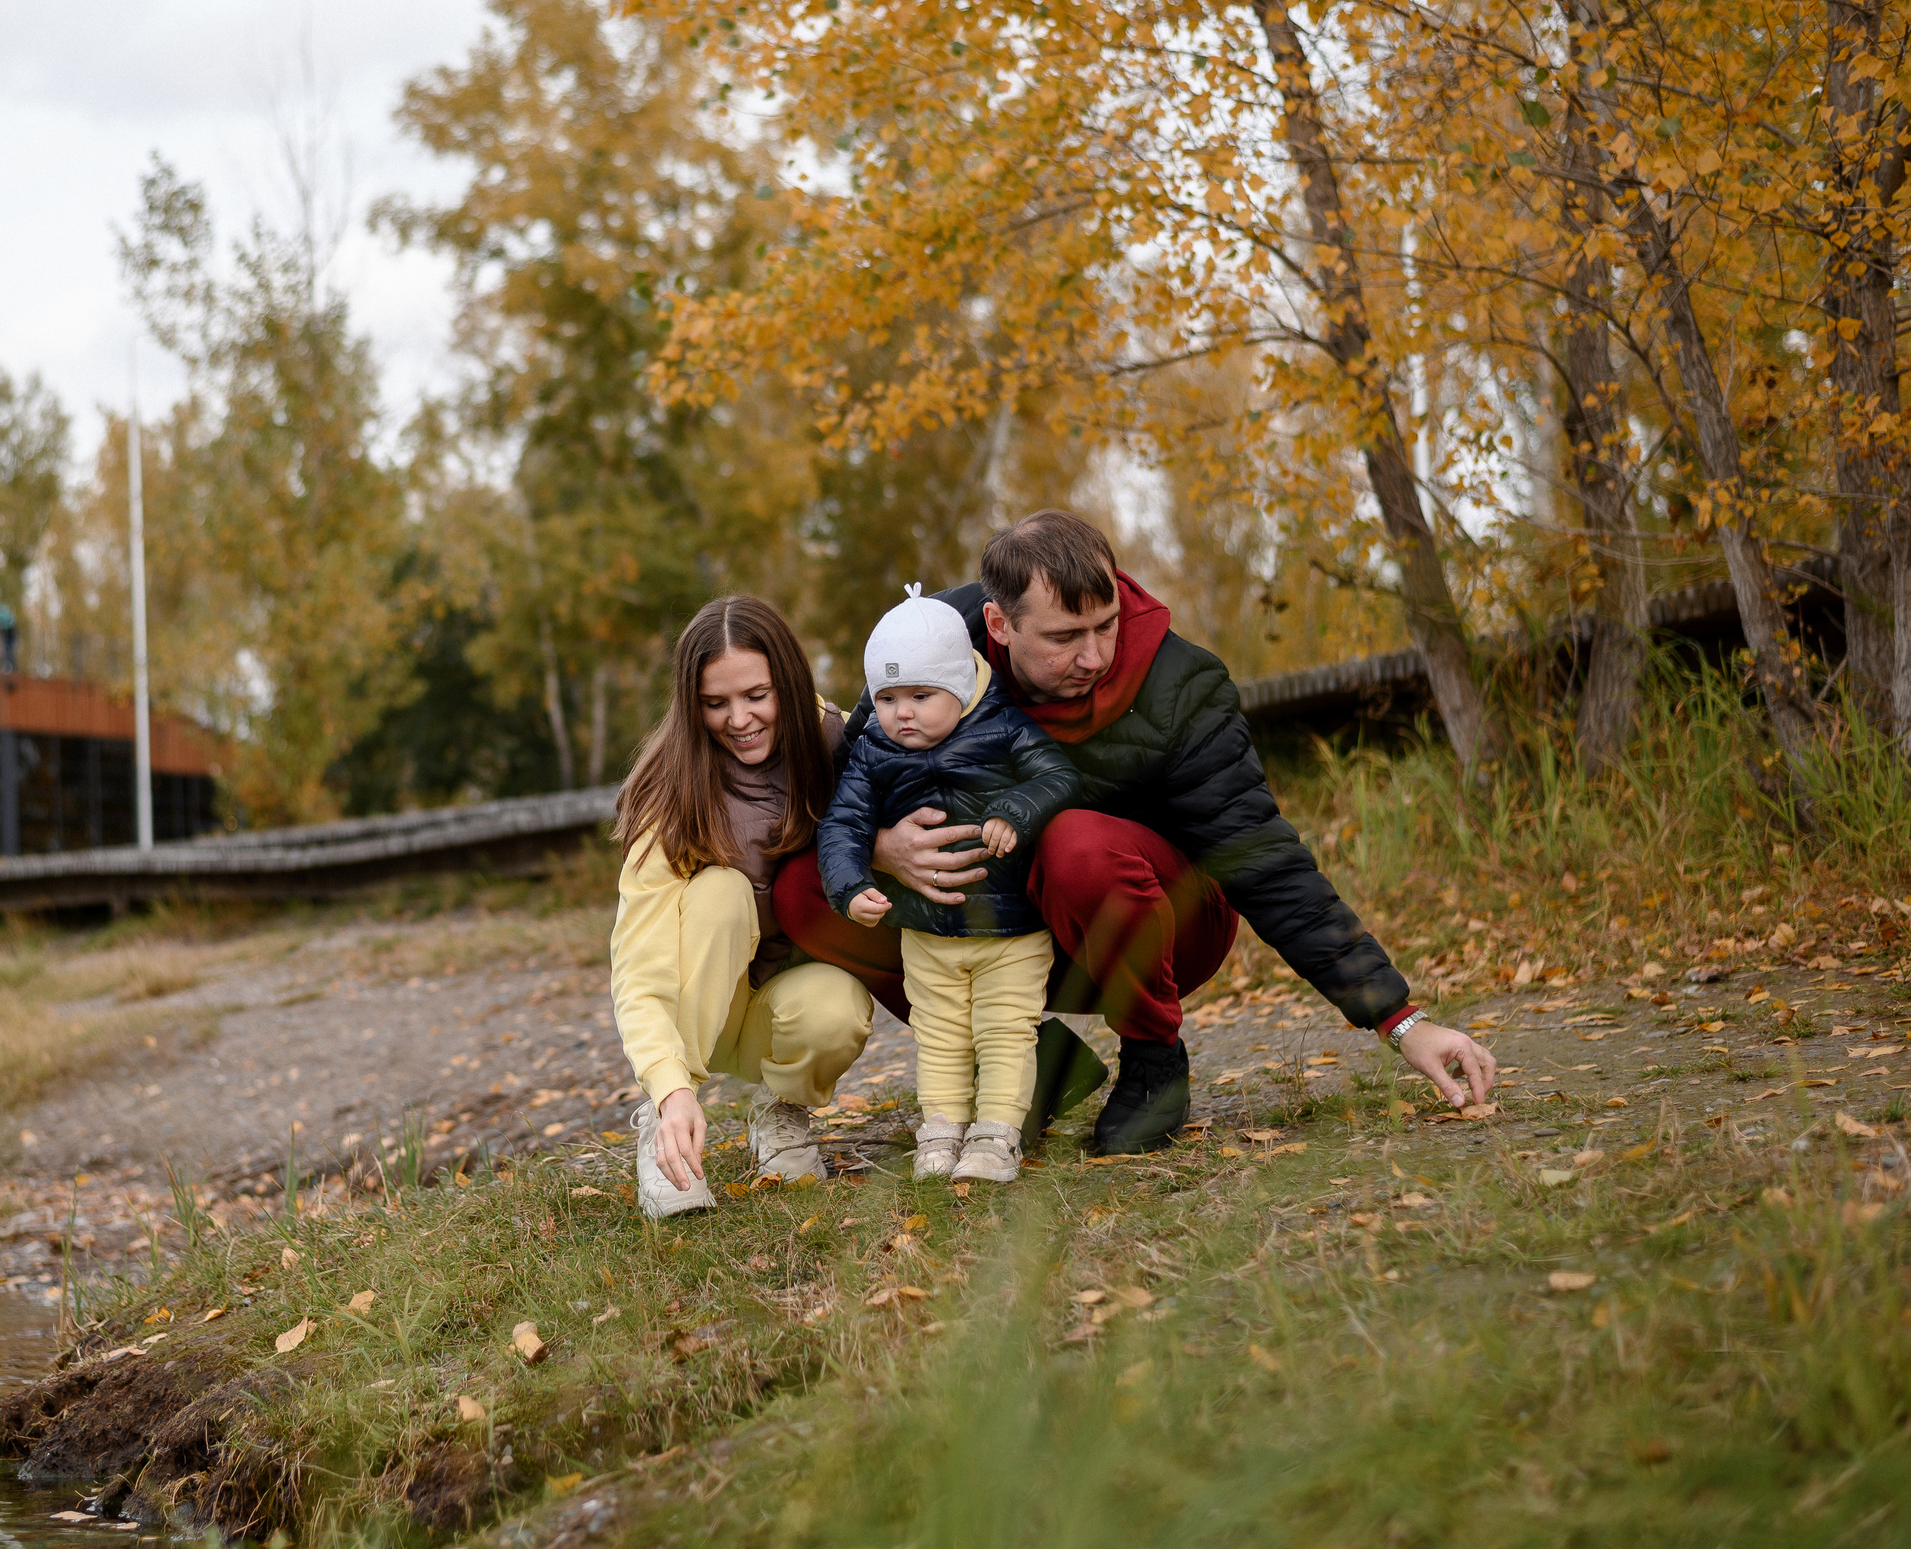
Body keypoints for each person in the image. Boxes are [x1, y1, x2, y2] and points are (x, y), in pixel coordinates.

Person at [773, 510, 1498, 1156]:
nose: (1093, 655)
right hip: (994, 922)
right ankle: (1024, 1070)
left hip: (1162, 918)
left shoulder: (1181, 687)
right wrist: (877, 848)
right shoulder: (928, 641)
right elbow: (851, 780)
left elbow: (1264, 859)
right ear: (998, 627)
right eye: (1064, 637)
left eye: (1106, 625)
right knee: (809, 889)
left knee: (1074, 841)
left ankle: (1155, 1065)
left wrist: (1399, 1019)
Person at [609, 595, 877, 1218]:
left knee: (839, 1009)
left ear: (786, 679)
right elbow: (639, 970)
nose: (739, 718)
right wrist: (669, 1086)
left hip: (782, 1002)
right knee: (722, 891)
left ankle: (782, 1114)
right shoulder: (668, 794)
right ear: (690, 704)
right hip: (701, 1005)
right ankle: (665, 1129)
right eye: (715, 703)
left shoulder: (833, 741)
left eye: (757, 694)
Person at [817, 586, 1082, 1183]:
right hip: (926, 928)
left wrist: (1015, 810)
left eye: (920, 695)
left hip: (1009, 927)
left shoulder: (1004, 726)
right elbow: (843, 822)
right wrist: (850, 883)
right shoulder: (872, 752)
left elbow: (1057, 776)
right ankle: (940, 1130)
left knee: (1004, 1030)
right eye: (885, 698)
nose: (901, 713)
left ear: (961, 687)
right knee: (937, 1035)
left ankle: (998, 1134)